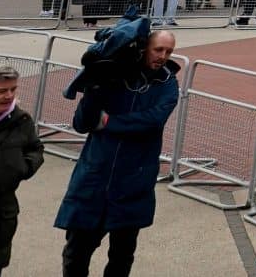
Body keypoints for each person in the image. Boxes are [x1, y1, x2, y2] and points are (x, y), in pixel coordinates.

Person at [55, 23, 180, 277]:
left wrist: (110, 122)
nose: (163, 56)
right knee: (76, 253)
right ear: (145, 47)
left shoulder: (168, 83)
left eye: (168, 51)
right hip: (94, 179)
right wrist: (94, 86)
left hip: (133, 181)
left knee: (122, 257)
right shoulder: (113, 75)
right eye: (158, 50)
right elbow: (82, 123)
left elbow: (153, 120)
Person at [0, 64, 46, 275]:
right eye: (1, 91)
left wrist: (23, 167)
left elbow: (36, 148)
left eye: (13, 89)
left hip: (1, 212)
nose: (9, 95)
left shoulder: (22, 120)